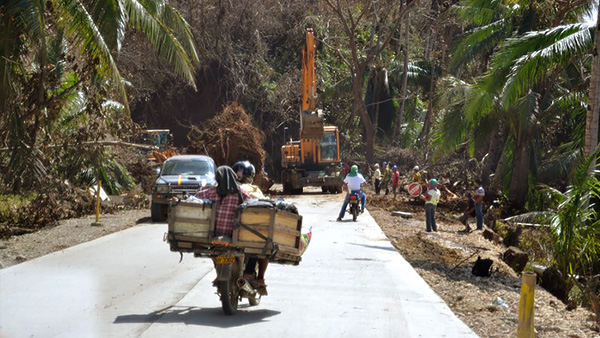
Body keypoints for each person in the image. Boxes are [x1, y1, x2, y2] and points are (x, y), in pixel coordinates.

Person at [231, 161, 269, 295]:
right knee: (263, 246)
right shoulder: (253, 189)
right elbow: (264, 202)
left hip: (228, 231)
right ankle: (259, 278)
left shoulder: (227, 189)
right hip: (248, 231)